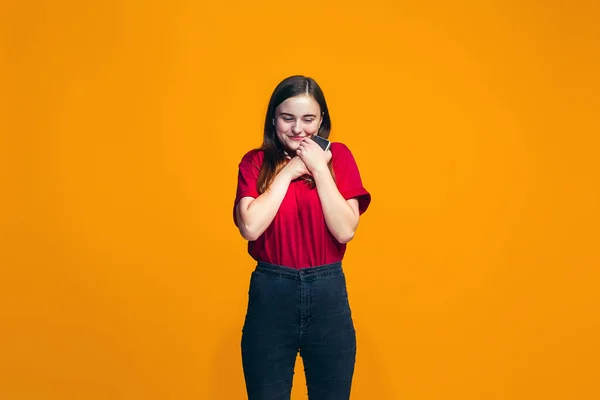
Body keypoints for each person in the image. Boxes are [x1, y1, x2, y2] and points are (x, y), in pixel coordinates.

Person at [233, 75, 371, 400]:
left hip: (328, 295)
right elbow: (250, 227)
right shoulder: (254, 162)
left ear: (321, 119)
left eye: (308, 119)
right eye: (287, 118)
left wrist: (319, 169)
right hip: (271, 292)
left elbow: (345, 229)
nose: (298, 129)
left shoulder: (340, 158)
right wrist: (291, 171)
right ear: (273, 118)